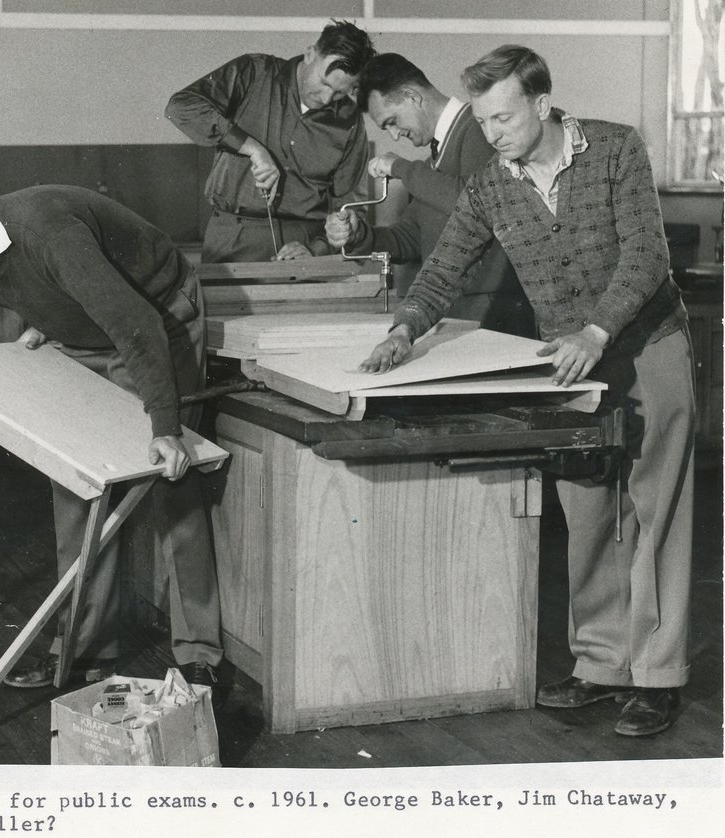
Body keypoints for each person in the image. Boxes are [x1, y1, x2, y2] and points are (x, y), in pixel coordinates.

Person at [359, 46, 694, 737]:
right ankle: (600, 665)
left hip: (645, 342)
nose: (492, 133)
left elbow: (645, 255)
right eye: (482, 120)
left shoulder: (612, 149)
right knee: (586, 511)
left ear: (541, 105)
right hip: (569, 362)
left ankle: (656, 677)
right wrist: (403, 329)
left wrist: (596, 333)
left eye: (504, 117)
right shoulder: (488, 185)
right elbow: (445, 264)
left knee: (654, 511)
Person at [0, 185, 224, 696]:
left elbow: (136, 324)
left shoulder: (47, 233)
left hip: (157, 324)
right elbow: (33, 286)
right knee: (79, 486)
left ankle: (199, 654)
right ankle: (84, 649)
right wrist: (46, 321)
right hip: (92, 332)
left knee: (172, 479)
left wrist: (167, 428)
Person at [324, 52, 535, 336]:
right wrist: (359, 233)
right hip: (460, 315)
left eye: (392, 121)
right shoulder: (433, 163)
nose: (395, 136)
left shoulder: (479, 129)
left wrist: (400, 167)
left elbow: (477, 203)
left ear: (412, 96)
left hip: (494, 316)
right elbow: (410, 239)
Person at [165, 19, 375, 262]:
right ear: (310, 54)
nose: (328, 98)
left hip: (306, 249)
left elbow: (351, 209)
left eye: (341, 92)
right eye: (325, 84)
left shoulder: (351, 121)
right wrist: (252, 149)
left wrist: (317, 249)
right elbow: (181, 107)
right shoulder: (254, 73)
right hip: (233, 239)